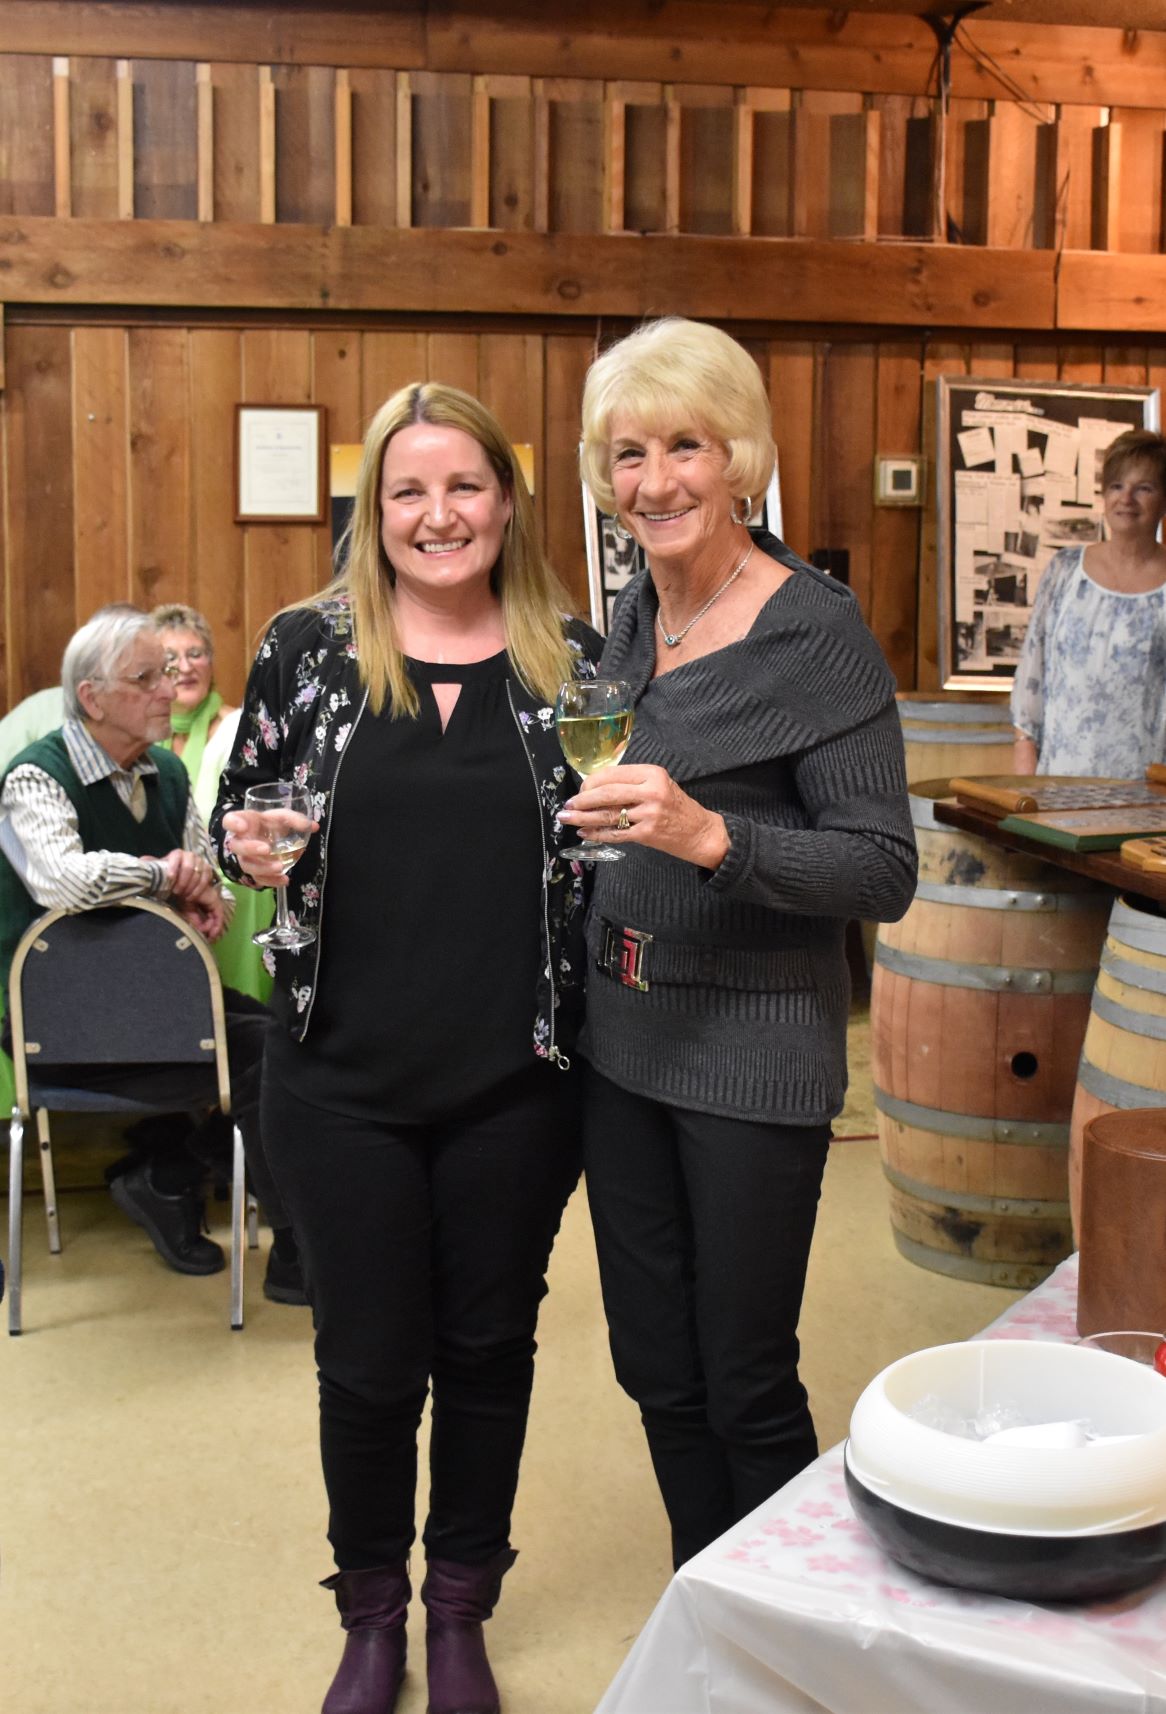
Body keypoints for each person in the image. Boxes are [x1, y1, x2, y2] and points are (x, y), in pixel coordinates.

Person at [212, 381, 602, 1714]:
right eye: (408, 492)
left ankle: (459, 1608)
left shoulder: (582, 663)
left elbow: (619, 850)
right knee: (368, 1363)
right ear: (373, 515)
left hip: (519, 1082)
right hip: (339, 1081)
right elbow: (240, 815)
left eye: (465, 487)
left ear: (506, 500)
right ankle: (370, 1609)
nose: (439, 515)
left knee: (490, 1349)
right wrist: (245, 847)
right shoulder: (305, 649)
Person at [562, 317, 917, 1570]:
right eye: (625, 455)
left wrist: (714, 838)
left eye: (683, 447)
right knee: (654, 1362)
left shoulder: (812, 630)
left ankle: (778, 1639)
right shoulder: (629, 614)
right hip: (624, 1044)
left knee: (744, 1373)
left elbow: (882, 870)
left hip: (751, 1056)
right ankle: (702, 1606)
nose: (653, 482)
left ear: (742, 459)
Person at [0, 606, 300, 1301]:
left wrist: (202, 896)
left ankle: (169, 1178)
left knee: (289, 1043)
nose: (168, 690)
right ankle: (281, 1248)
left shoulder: (164, 769)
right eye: (146, 678)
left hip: (159, 1002)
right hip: (59, 1019)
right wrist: (163, 877)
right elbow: (62, 882)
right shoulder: (33, 778)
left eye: (169, 674)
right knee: (270, 1056)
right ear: (92, 698)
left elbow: (204, 880)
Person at [1012, 428, 1166, 777]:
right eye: (1116, 486)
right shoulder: (1065, 571)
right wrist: (1024, 763)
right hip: (1060, 782)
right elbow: (1032, 670)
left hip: (1149, 790)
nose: (1126, 498)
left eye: (1144, 488)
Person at [151, 603, 274, 1001]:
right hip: (168, 884)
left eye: (195, 654)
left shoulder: (237, 727)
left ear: (211, 662)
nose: (185, 667)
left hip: (231, 885)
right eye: (170, 658)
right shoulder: (145, 737)